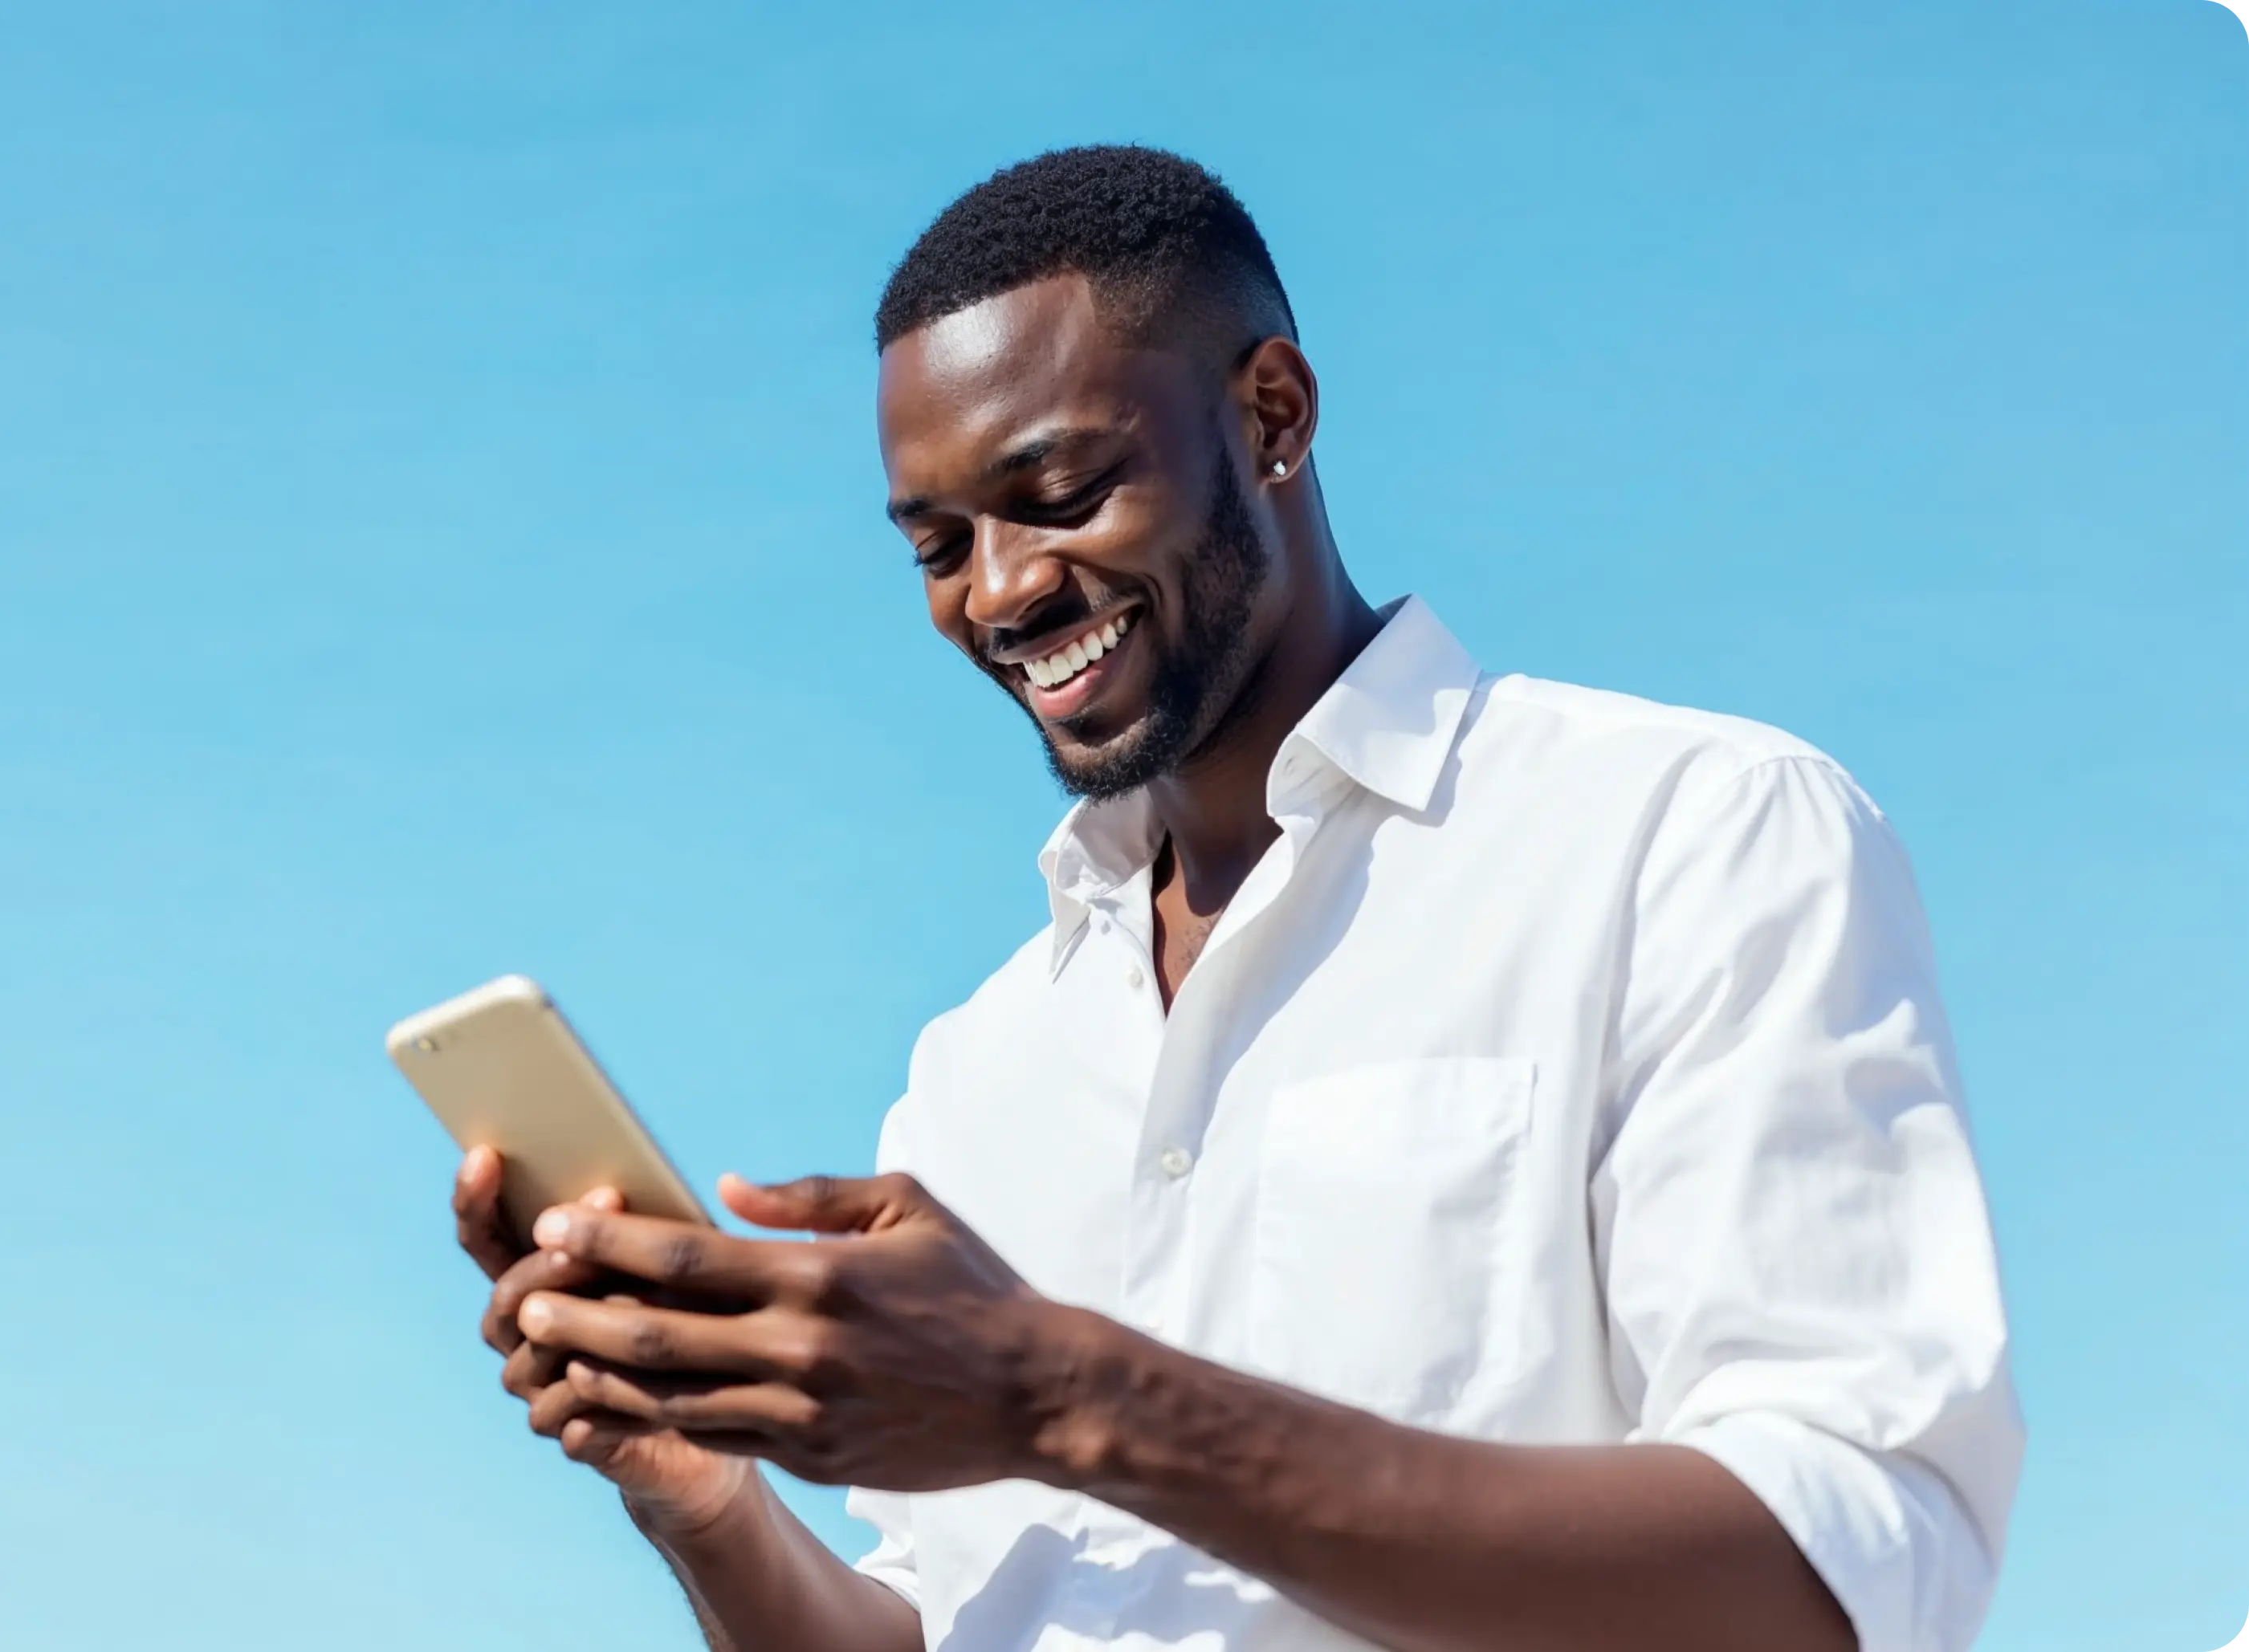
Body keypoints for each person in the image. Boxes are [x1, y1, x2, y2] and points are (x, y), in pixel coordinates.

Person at [447, 144, 2019, 1652]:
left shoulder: (1683, 837)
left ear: (1271, 414)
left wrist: (1064, 1397)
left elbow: (1832, 1585)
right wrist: (704, 1500)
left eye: (1058, 491)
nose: (999, 590)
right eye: (939, 544)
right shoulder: (977, 1069)